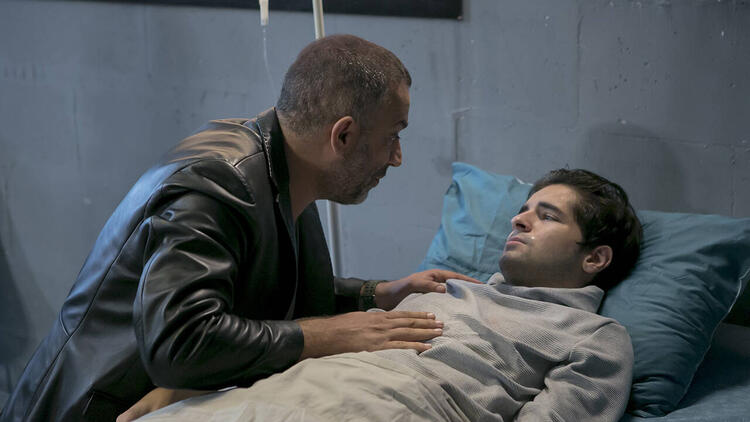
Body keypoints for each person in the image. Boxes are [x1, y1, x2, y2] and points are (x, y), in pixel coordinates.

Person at [0, 34, 479, 422]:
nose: (397, 158)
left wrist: (376, 295)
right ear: (344, 135)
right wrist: (326, 336)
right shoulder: (218, 182)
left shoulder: (288, 167)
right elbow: (180, 341)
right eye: (393, 136)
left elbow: (266, 289)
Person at [121, 168, 644, 422]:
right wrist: (206, 391)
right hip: (292, 388)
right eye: (524, 209)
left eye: (547, 216)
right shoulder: (445, 289)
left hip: (397, 406)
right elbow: (317, 339)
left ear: (594, 258)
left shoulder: (594, 337)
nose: (519, 219)